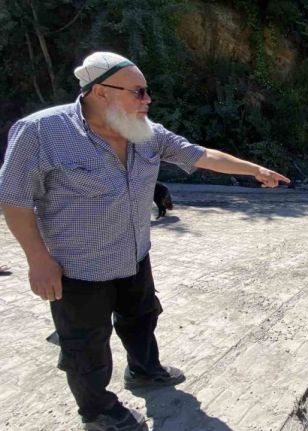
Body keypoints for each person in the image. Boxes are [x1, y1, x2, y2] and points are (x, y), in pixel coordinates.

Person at [0, 52, 290, 431]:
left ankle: (144, 370)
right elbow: (14, 198)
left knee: (142, 317)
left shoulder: (146, 133)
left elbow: (200, 155)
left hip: (134, 254)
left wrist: (255, 170)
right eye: (139, 92)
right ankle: (97, 410)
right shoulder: (41, 131)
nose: (147, 100)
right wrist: (38, 260)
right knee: (86, 345)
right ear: (101, 92)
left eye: (146, 92)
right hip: (77, 267)